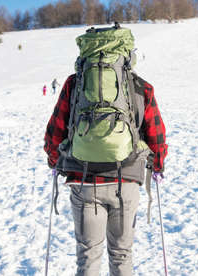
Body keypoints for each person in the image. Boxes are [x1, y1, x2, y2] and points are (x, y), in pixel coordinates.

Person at [43, 72, 168, 274]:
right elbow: (157, 137)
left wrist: (55, 162)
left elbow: (54, 135)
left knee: (88, 256)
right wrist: (158, 166)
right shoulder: (139, 86)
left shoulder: (75, 84)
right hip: (126, 181)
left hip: (84, 182)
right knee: (122, 254)